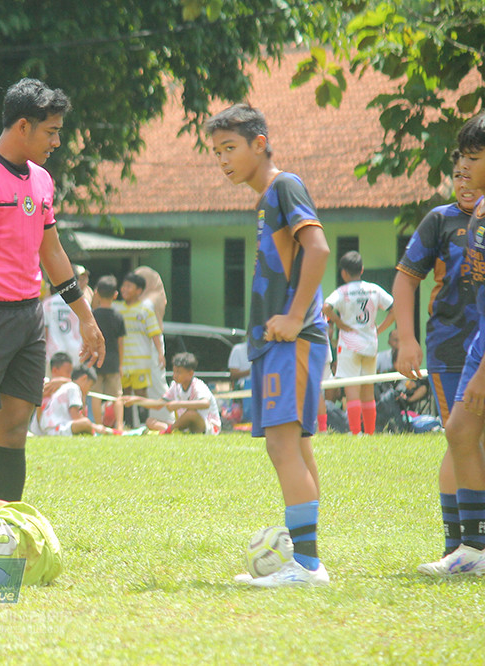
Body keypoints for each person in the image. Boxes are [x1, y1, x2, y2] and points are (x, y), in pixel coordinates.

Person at [0, 78, 105, 502]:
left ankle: (9, 528)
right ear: (23, 126)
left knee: (13, 431)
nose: (57, 142)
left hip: (29, 319)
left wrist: (86, 317)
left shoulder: (42, 180)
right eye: (52, 131)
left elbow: (53, 252)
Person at [206, 103, 330, 587]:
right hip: (272, 342)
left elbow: (318, 248)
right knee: (295, 446)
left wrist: (295, 316)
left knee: (282, 446)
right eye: (216, 152)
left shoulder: (284, 186)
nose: (222, 160)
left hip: (291, 340)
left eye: (230, 148)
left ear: (260, 144)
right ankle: (308, 557)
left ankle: (307, 566)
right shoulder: (264, 199)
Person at [394, 150, 481, 558]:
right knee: (460, 439)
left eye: (471, 173)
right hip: (450, 348)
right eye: (457, 175)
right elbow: (405, 279)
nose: (464, 182)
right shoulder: (439, 220)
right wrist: (406, 339)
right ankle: (457, 545)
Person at [417, 113, 485, 576]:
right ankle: (473, 549)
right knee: (460, 433)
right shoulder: (477, 212)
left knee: (462, 431)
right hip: (476, 339)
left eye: (474, 159)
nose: (464, 167)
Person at [322, 251, 395, 435]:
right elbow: (394, 308)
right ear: (362, 269)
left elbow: (326, 307)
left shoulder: (342, 291)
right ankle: (369, 432)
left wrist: (339, 323)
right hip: (370, 344)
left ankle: (355, 432)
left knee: (352, 389)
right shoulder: (374, 289)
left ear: (343, 273)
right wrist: (379, 329)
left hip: (349, 344)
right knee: (368, 390)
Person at [115, 271, 167, 427]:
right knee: (125, 394)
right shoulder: (117, 308)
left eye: (129, 286)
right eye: (123, 286)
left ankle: (144, 425)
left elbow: (155, 334)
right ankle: (129, 425)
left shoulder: (145, 309)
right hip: (123, 362)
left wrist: (160, 354)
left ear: (139, 290)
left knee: (140, 394)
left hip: (140, 361)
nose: (124, 289)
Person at [124, 352, 221, 435]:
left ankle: (169, 431)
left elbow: (205, 403)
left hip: (207, 426)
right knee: (150, 421)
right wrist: (136, 400)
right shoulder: (175, 386)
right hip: (183, 424)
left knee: (190, 414)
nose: (175, 375)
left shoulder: (198, 385)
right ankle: (172, 429)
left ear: (190, 373)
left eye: (179, 372)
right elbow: (158, 404)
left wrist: (178, 404)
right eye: (174, 372)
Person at [90, 276, 126, 430]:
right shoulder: (118, 316)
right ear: (115, 295)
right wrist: (121, 364)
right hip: (113, 360)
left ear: (97, 293)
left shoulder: (92, 316)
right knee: (117, 396)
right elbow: (120, 343)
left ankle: (99, 426)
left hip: (96, 359)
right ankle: (119, 426)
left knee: (96, 395)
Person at [40, 366, 112, 436]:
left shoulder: (67, 387)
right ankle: (95, 434)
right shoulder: (74, 388)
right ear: (84, 378)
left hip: (52, 428)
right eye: (89, 386)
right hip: (58, 428)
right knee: (85, 423)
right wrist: (95, 427)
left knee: (85, 423)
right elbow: (76, 416)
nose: (88, 390)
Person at [42, 268, 84, 365]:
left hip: (53, 354)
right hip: (76, 353)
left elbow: (44, 333)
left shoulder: (48, 303)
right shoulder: (83, 304)